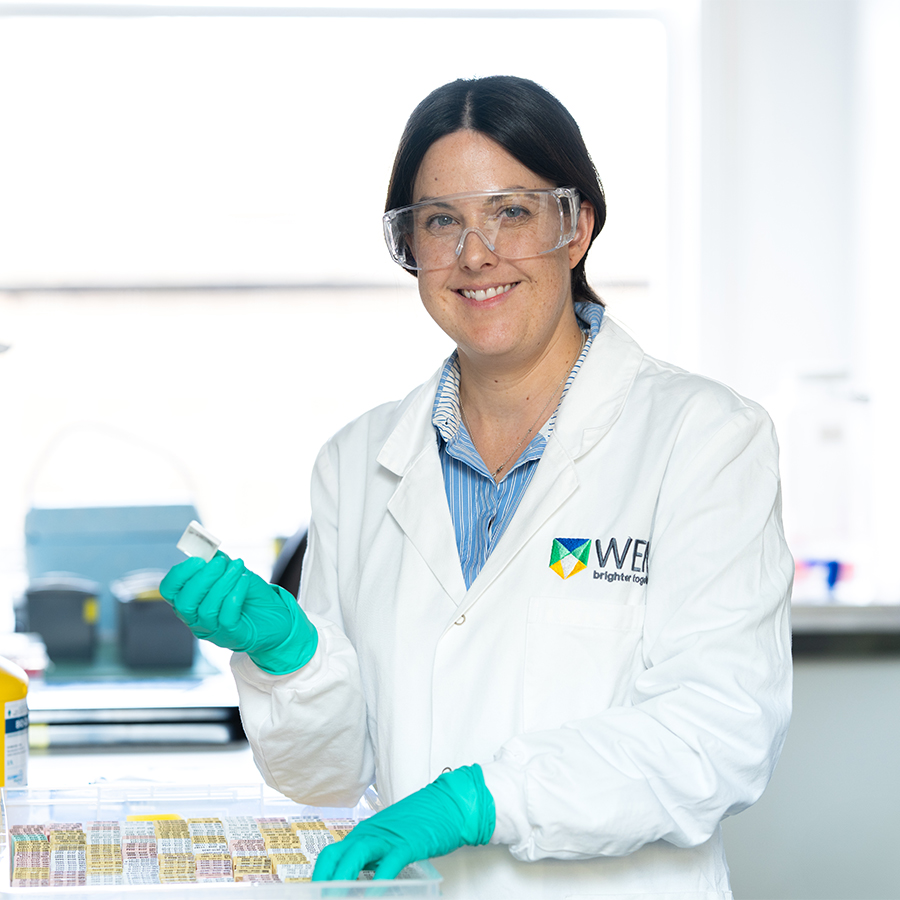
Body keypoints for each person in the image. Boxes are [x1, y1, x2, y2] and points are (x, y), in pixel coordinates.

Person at [160, 75, 793, 900]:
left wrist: (484, 798)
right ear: (410, 249)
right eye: (440, 222)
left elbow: (718, 735)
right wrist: (292, 662)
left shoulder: (705, 440)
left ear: (577, 227)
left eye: (511, 213)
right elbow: (329, 776)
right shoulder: (355, 464)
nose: (475, 254)